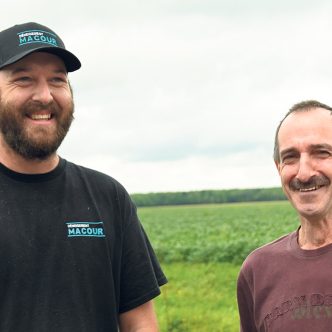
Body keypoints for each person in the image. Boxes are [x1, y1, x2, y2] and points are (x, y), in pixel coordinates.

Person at [0, 22, 167, 331]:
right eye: (24, 79)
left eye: (57, 80)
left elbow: (140, 321)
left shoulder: (108, 196)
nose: (45, 95)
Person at [237, 100, 332, 331]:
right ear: (278, 167)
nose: (305, 173)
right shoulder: (257, 270)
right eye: (290, 157)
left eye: (321, 153)